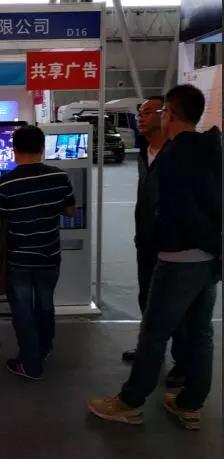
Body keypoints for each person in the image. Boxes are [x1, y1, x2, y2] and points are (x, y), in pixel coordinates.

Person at [89, 85, 222, 430]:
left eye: (160, 112)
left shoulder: (174, 156)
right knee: (201, 332)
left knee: (153, 333)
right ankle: (190, 403)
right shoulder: (212, 148)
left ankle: (130, 402)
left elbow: (176, 211)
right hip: (208, 259)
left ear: (170, 114)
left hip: (177, 258)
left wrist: (158, 240)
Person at [0, 125, 76, 380]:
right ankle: (44, 348)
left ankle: (30, 363)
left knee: (23, 310)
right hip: (50, 255)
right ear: (42, 148)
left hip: (20, 258)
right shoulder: (60, 177)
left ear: (14, 149)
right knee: (45, 304)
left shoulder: (6, 182)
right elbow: (70, 211)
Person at [122, 96, 188, 389]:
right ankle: (149, 349)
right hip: (146, 242)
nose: (141, 117)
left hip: (174, 246)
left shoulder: (177, 154)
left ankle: (183, 363)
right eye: (140, 112)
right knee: (146, 298)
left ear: (165, 115)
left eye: (148, 112)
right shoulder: (143, 153)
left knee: (176, 307)